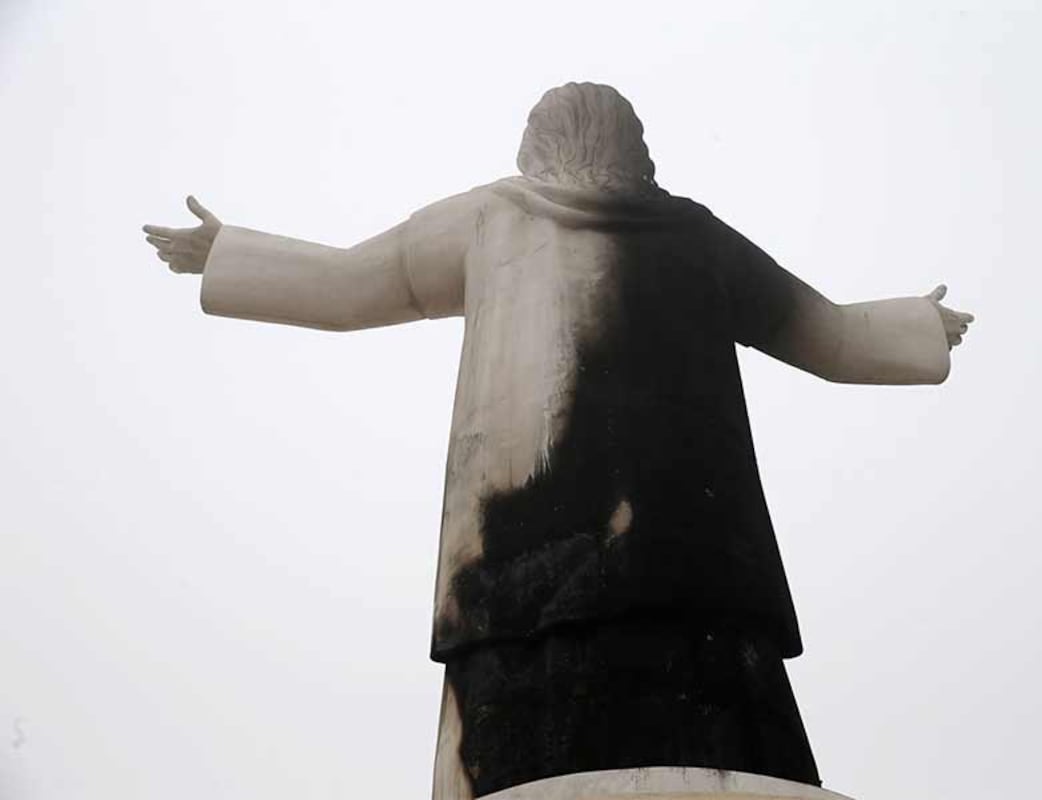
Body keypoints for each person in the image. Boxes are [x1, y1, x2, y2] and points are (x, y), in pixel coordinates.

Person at [144, 82, 973, 799]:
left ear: (533, 147)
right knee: (716, 689)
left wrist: (228, 253)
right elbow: (821, 329)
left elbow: (351, 281)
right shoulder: (694, 234)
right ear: (638, 151)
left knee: (520, 693)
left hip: (516, 537)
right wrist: (915, 326)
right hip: (695, 545)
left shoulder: (488, 218)